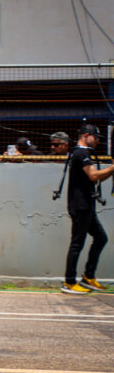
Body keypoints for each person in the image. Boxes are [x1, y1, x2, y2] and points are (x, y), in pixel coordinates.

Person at [63, 124, 114, 294]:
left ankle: (88, 277)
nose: (98, 141)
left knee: (100, 238)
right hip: (81, 206)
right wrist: (113, 168)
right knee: (77, 243)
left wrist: (110, 170)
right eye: (96, 137)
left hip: (86, 205)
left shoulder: (82, 153)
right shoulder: (81, 153)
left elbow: (95, 178)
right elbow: (93, 175)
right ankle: (69, 282)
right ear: (86, 136)